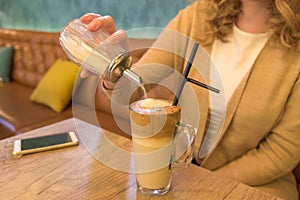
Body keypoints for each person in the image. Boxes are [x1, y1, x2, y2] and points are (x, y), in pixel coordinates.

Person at [79, 0, 300, 199]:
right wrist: (113, 64)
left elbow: (280, 152)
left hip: (256, 186)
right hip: (181, 177)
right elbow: (134, 89)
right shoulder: (199, 16)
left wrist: (205, 184)